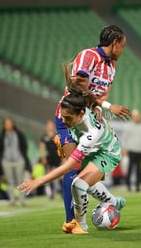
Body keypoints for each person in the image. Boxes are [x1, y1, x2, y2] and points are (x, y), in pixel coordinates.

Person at [18, 85, 126, 235]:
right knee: (86, 183)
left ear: (81, 114)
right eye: (62, 117)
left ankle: (81, 225)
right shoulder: (75, 109)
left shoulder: (91, 133)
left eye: (68, 118)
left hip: (108, 152)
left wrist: (38, 181)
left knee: (78, 184)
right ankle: (114, 202)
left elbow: (68, 166)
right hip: (95, 149)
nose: (64, 120)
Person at [54, 25, 131, 231]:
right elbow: (77, 87)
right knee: (72, 170)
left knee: (89, 173)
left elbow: (103, 94)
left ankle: (112, 201)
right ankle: (72, 222)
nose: (123, 50)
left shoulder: (111, 67)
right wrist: (106, 106)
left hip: (88, 122)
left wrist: (99, 107)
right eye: (122, 46)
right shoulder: (88, 56)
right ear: (114, 43)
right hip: (69, 118)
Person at [0, 118, 32, 206]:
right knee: (10, 181)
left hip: (19, 160)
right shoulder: (1, 136)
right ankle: (12, 200)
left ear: (13, 124)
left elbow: (24, 146)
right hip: (7, 161)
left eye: (10, 123)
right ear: (3, 125)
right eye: (6, 123)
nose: (8, 125)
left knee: (20, 180)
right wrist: (2, 160)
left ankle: (22, 200)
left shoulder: (19, 134)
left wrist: (23, 156)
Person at [121, 109, 141, 192]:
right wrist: (124, 149)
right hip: (131, 150)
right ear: (133, 117)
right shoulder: (128, 126)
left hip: (140, 150)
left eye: (138, 116)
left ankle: (137, 186)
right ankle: (128, 186)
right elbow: (124, 139)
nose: (137, 118)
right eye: (136, 116)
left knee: (139, 169)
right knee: (130, 168)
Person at [39, 120, 61, 199]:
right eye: (48, 125)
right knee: (49, 175)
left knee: (60, 175)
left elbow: (59, 146)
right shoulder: (44, 137)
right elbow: (42, 148)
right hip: (49, 158)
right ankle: (52, 193)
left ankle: (62, 192)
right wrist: (43, 157)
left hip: (57, 157)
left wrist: (62, 157)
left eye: (51, 125)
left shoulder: (56, 135)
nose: (49, 127)